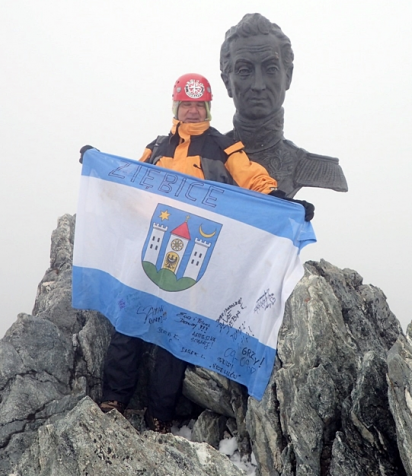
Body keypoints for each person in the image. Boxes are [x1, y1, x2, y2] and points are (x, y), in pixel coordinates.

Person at [86, 73, 313, 434]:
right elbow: (131, 179)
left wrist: (281, 201)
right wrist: (98, 167)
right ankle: (115, 398)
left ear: (207, 107)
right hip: (152, 248)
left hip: (198, 256)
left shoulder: (223, 146)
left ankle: (160, 414)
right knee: (128, 323)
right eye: (186, 104)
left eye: (198, 104)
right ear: (176, 106)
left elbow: (251, 177)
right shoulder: (158, 147)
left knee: (175, 334)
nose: (192, 111)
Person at [220, 13, 348, 198]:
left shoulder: (320, 171)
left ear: (288, 76)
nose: (258, 85)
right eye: (244, 71)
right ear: (227, 82)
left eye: (270, 69)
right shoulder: (205, 161)